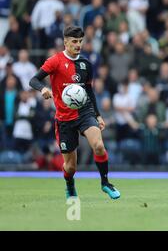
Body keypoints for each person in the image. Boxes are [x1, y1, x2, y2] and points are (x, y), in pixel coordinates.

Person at [29, 25, 120, 200]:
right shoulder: (55, 61)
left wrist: (98, 115)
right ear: (65, 42)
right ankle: (70, 185)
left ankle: (105, 183)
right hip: (64, 119)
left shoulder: (85, 64)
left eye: (80, 41)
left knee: (99, 146)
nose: (78, 45)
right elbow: (33, 80)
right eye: (74, 41)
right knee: (70, 167)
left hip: (85, 113)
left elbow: (89, 91)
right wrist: (42, 89)